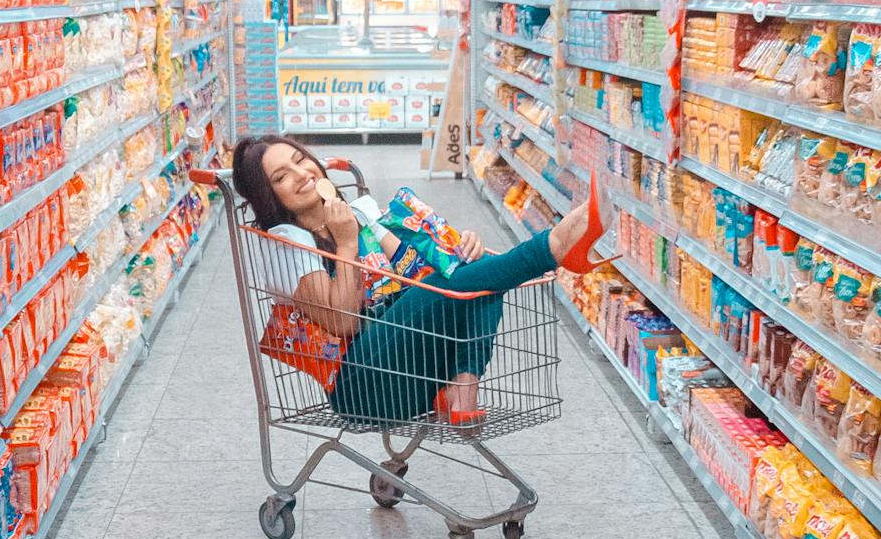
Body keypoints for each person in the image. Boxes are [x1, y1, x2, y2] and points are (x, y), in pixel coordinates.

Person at [230, 134, 603, 427]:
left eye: (300, 160)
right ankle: (554, 246)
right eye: (281, 177)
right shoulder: (286, 243)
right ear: (269, 197)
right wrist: (345, 242)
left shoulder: (360, 211)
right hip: (364, 388)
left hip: (415, 369)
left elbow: (420, 272)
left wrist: (460, 247)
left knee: (466, 274)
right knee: (454, 286)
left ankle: (463, 386)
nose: (301, 175)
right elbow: (342, 322)